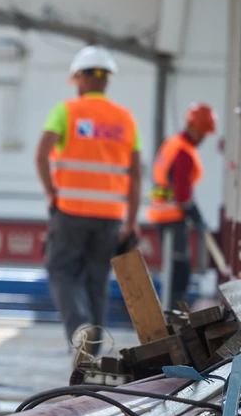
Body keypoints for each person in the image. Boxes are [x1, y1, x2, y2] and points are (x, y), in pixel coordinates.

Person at [35, 45, 141, 360]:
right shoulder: (125, 119)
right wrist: (132, 220)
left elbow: (42, 154)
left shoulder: (66, 111)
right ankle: (93, 354)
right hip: (110, 216)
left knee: (63, 272)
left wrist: (52, 194)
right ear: (107, 80)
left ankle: (80, 329)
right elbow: (136, 173)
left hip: (70, 212)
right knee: (97, 279)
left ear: (80, 78)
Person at [146, 103, 217, 308]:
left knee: (176, 271)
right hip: (171, 219)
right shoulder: (183, 152)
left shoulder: (174, 143)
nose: (203, 138)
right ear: (193, 128)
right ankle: (172, 314)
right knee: (179, 272)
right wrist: (196, 217)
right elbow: (182, 194)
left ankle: (172, 311)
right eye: (202, 133)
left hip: (165, 215)